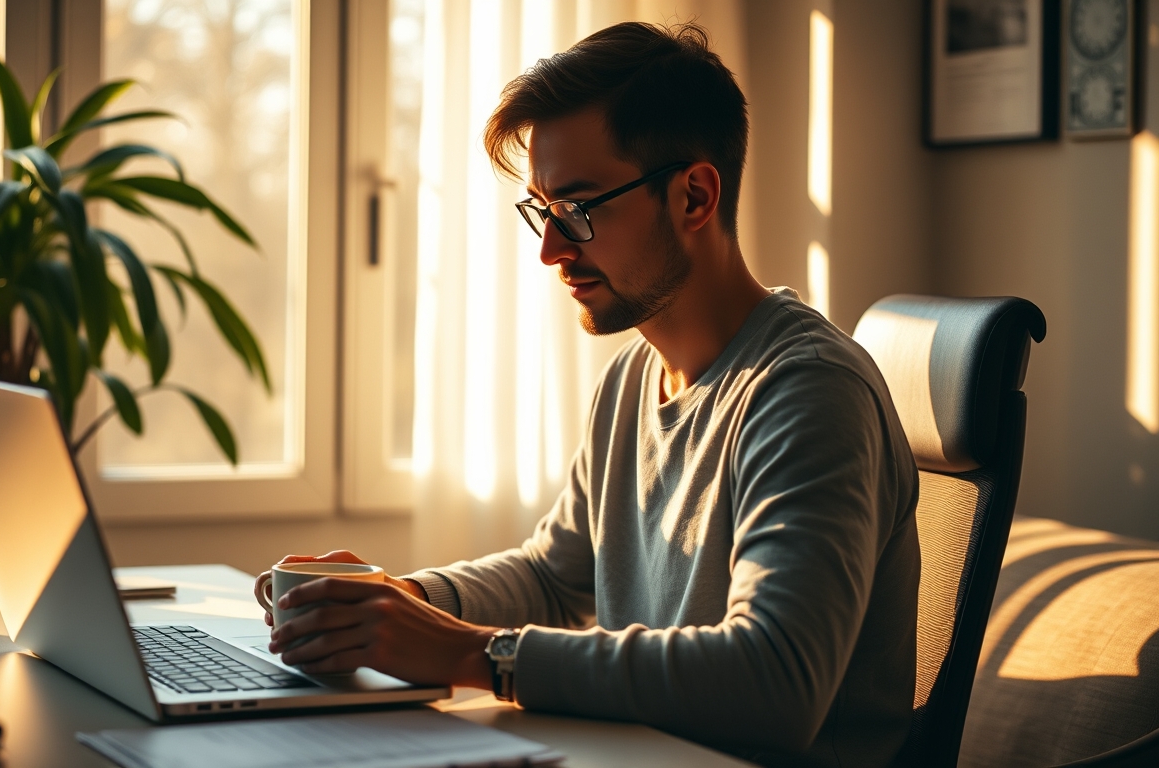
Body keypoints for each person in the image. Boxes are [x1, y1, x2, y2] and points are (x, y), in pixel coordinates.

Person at [261, 21, 919, 768]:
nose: (551, 250)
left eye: (577, 209)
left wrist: (484, 656)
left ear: (694, 196)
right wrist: (397, 603)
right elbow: (553, 575)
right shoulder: (633, 377)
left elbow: (775, 682)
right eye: (542, 211)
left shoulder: (806, 390)